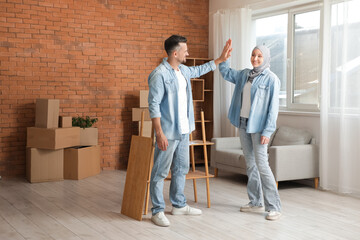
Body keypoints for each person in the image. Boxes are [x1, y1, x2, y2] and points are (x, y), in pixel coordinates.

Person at [148, 35, 231, 227]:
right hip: (167, 132)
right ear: (175, 53)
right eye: (185, 50)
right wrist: (159, 133)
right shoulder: (159, 74)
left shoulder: (184, 70)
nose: (188, 53)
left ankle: (178, 205)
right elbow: (154, 106)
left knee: (181, 169)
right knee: (160, 172)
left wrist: (219, 59)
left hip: (185, 131)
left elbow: (200, 70)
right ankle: (157, 210)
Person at [219, 39, 282, 221]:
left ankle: (274, 206)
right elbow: (225, 72)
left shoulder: (271, 79)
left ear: (266, 58)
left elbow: (272, 109)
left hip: (260, 127)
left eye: (259, 56)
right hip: (243, 123)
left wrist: (267, 132)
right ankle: (256, 203)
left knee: (262, 166)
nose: (255, 58)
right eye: (253, 55)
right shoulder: (244, 74)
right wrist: (225, 57)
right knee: (251, 165)